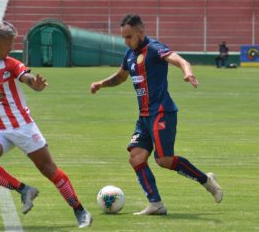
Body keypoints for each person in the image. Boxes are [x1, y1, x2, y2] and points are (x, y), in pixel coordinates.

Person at [0, 21, 92, 228]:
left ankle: (80, 210)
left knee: (48, 169)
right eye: (9, 43)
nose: (12, 48)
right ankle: (23, 189)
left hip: (22, 126)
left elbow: (25, 76)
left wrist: (35, 84)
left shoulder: (10, 63)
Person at [90, 13, 223, 215]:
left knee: (163, 160)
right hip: (144, 117)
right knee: (136, 157)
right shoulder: (130, 55)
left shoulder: (153, 48)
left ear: (140, 32)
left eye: (129, 37)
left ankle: (207, 180)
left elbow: (178, 59)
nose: (126, 42)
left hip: (161, 112)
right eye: (123, 37)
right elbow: (120, 77)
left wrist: (187, 72)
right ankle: (156, 204)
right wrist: (102, 83)